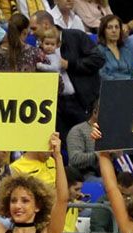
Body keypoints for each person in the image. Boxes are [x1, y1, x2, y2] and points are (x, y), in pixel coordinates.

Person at [29, 12, 104, 140]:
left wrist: (70, 64)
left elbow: (98, 59)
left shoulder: (76, 36)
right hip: (57, 106)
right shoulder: (39, 48)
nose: (32, 33)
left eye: (34, 28)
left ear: (46, 25)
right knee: (63, 146)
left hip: (82, 103)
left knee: (87, 142)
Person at [97, 14, 133, 80]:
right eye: (109, 27)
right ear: (103, 31)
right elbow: (102, 75)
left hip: (129, 87)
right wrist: (125, 81)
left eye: (117, 27)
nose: (114, 30)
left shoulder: (126, 51)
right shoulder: (99, 51)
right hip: (110, 87)